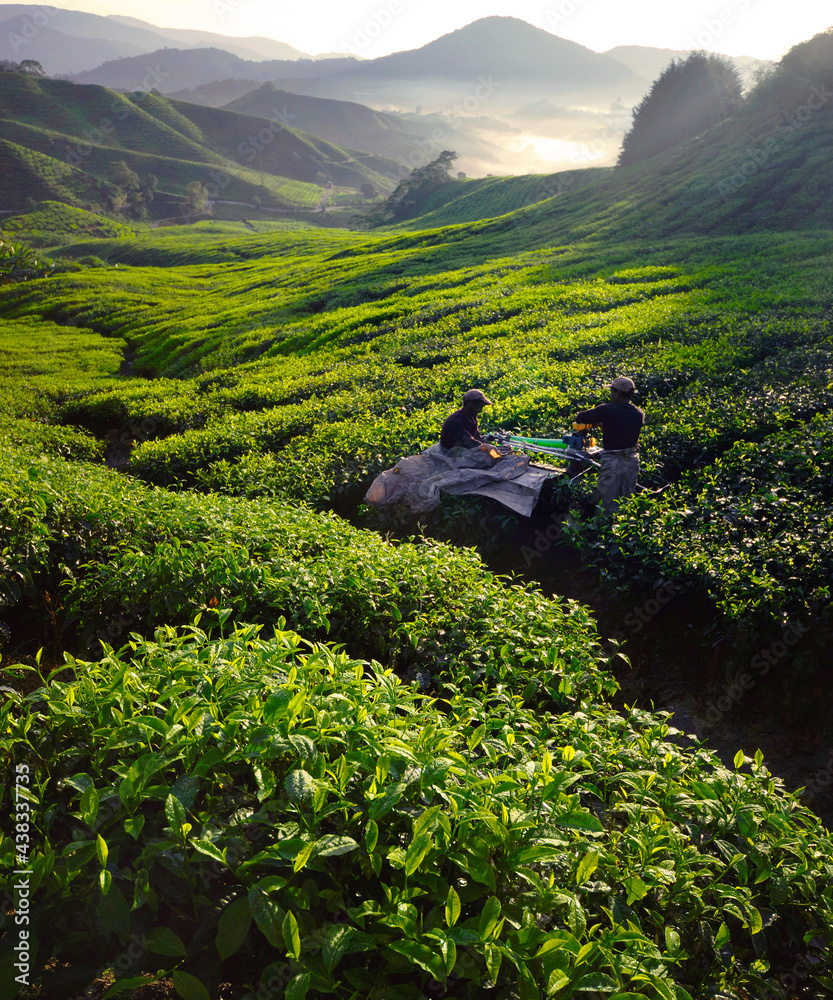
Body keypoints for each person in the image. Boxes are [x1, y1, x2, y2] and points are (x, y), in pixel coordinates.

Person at [575, 376, 645, 512]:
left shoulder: (607, 410)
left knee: (606, 503)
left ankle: (602, 529)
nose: (610, 394)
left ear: (618, 393)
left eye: (612, 391)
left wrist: (601, 422)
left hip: (613, 461)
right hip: (631, 461)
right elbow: (623, 428)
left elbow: (581, 417)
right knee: (626, 500)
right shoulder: (639, 413)